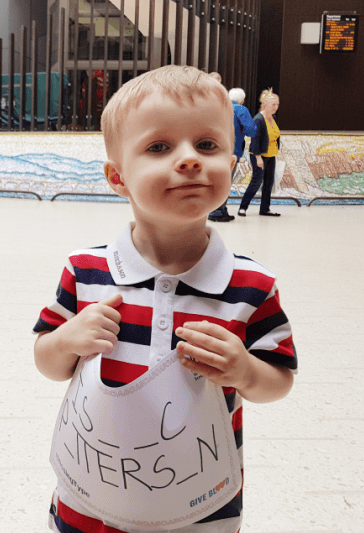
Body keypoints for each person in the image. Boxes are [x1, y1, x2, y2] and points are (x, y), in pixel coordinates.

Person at [33, 66, 297, 533]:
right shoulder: (85, 271)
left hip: (201, 505)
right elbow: (49, 362)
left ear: (232, 162)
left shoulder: (253, 285)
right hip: (90, 499)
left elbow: (277, 380)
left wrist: (244, 369)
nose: (189, 159)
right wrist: (67, 340)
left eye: (208, 145)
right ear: (118, 177)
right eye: (159, 147)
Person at [208, 87, 257, 222]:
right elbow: (251, 130)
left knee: (218, 180)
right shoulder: (241, 109)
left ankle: (222, 209)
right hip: (233, 151)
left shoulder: (218, 108)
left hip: (215, 149)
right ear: (241, 100)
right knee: (226, 180)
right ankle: (217, 211)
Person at [238, 89, 281, 217]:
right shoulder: (258, 119)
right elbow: (254, 140)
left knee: (269, 182)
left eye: (277, 104)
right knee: (256, 182)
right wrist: (258, 158)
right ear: (266, 104)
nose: (276, 107)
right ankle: (243, 207)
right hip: (259, 155)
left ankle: (265, 209)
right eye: (273, 104)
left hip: (271, 155)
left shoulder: (273, 118)